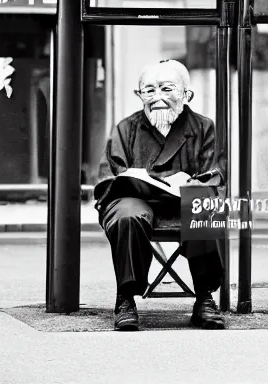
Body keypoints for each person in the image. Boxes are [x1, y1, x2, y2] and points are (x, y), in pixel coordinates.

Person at [94, 59, 226, 331]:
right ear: (138, 95)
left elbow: (215, 173)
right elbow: (109, 177)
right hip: (137, 200)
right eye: (149, 90)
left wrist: (188, 182)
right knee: (127, 214)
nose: (157, 98)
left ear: (186, 94)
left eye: (167, 89)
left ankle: (204, 297)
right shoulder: (125, 128)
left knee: (203, 205)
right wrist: (140, 180)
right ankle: (125, 298)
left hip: (184, 201)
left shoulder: (203, 127)